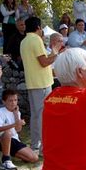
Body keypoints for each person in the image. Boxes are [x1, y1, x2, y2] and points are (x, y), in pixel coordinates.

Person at [20, 17, 63, 153]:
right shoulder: (36, 40)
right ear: (38, 27)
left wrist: (54, 53)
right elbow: (44, 62)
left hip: (33, 82)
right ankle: (44, 147)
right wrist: (55, 53)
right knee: (43, 116)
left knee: (36, 115)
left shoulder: (24, 41)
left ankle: (35, 145)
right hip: (42, 82)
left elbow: (39, 61)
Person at [0, 89, 38, 170]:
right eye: (10, 100)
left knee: (34, 158)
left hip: (14, 140)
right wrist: (14, 124)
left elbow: (18, 129)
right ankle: (6, 160)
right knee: (7, 132)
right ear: (4, 102)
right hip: (1, 139)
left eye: (15, 100)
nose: (13, 103)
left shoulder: (17, 112)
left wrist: (16, 115)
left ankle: (8, 152)